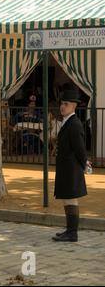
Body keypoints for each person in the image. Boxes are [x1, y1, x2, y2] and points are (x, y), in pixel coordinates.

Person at [52, 90, 89, 242]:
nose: (62, 106)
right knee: (67, 199)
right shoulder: (68, 121)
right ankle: (69, 230)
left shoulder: (74, 124)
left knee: (71, 199)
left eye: (66, 104)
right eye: (62, 103)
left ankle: (72, 233)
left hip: (71, 168)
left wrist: (83, 164)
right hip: (67, 168)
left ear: (73, 106)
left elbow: (80, 148)